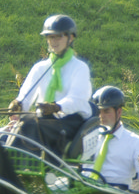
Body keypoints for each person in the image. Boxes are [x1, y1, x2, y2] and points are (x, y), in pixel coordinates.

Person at [6, 14, 92, 160]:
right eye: (50, 37)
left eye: (58, 37)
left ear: (70, 38)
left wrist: (57, 107)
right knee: (21, 124)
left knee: (30, 124)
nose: (53, 41)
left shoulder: (80, 67)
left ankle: (24, 162)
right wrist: (18, 105)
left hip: (70, 121)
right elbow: (26, 96)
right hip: (44, 119)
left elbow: (78, 99)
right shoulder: (40, 67)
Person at [79, 86, 139, 190]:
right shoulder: (87, 136)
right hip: (85, 187)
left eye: (106, 111)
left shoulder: (135, 142)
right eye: (99, 112)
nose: (101, 116)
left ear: (118, 112)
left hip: (115, 192)